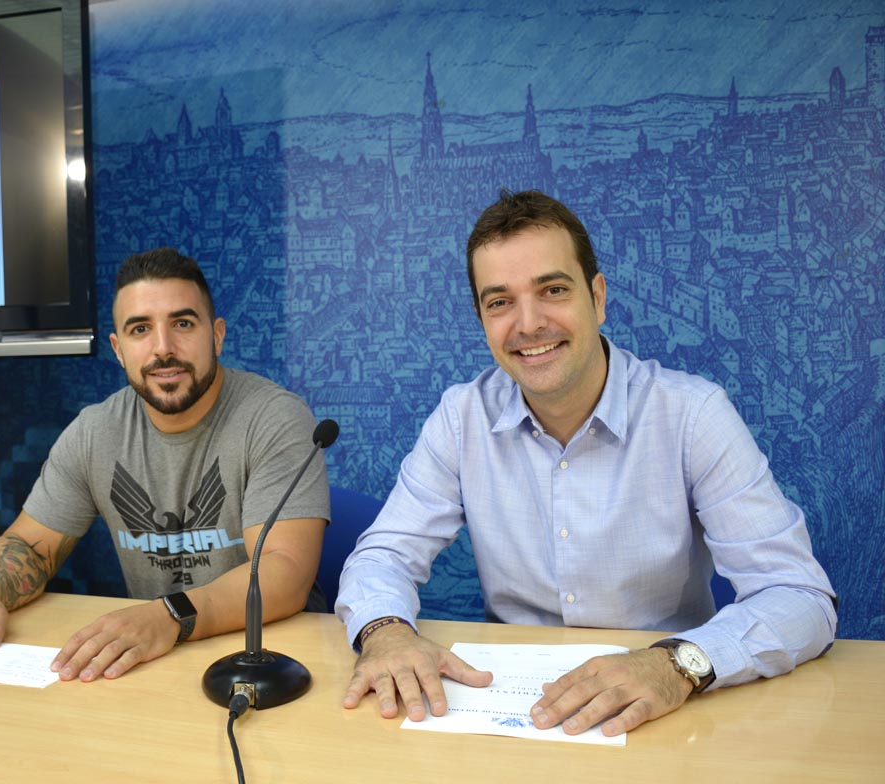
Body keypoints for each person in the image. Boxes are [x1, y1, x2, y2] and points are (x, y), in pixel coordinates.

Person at [336, 190, 837, 736]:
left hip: (668, 711)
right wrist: (385, 630)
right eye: (500, 302)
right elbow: (383, 554)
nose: (528, 324)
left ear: (597, 297)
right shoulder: (462, 418)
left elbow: (800, 597)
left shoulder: (693, 415)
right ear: (481, 318)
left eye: (552, 290)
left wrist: (676, 663)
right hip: (517, 717)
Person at [0, 247, 330, 682]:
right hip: (158, 657)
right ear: (119, 349)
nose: (163, 349)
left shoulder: (274, 418)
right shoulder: (95, 432)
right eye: (140, 329)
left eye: (183, 323)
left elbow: (282, 573)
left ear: (217, 335)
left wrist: (169, 616)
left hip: (269, 657)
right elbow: (29, 546)